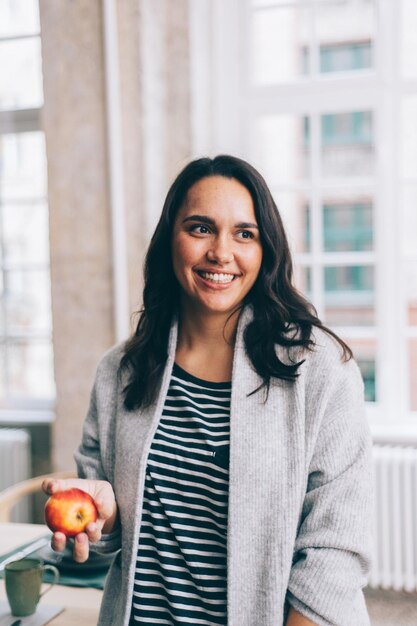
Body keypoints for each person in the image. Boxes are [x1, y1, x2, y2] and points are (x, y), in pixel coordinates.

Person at [42, 155, 373, 626]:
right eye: (200, 228)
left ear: (266, 251)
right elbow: (108, 544)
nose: (221, 252)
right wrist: (107, 516)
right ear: (170, 241)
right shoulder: (120, 371)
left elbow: (335, 548)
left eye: (244, 233)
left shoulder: (321, 371)